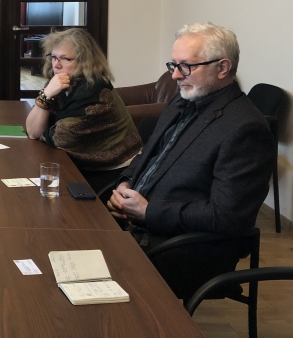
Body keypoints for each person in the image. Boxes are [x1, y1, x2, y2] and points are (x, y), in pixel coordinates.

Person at [107, 23, 276, 299]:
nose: (175, 75)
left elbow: (228, 217)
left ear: (222, 68)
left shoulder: (246, 128)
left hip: (186, 249)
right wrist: (125, 183)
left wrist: (148, 212)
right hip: (142, 228)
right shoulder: (183, 101)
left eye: (186, 66)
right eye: (174, 65)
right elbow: (149, 156)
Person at [25, 28, 142, 193]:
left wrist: (46, 122)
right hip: (82, 163)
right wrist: (47, 94)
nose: (56, 65)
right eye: (54, 57)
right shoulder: (61, 83)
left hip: (114, 171)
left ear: (85, 61)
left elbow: (60, 138)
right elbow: (32, 131)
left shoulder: (92, 91)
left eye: (65, 59)